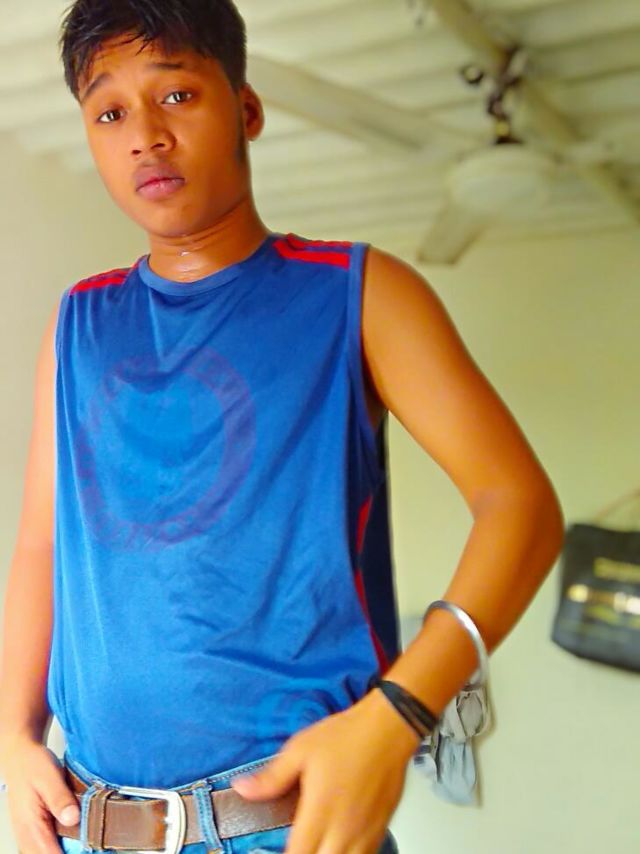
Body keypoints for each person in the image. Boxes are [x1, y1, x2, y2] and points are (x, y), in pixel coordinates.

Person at [0, 1, 565, 853]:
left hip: (287, 829)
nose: (145, 136)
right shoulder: (78, 322)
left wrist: (402, 712)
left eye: (177, 95)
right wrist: (11, 737)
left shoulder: (360, 293)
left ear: (247, 110)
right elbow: (42, 544)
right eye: (109, 113)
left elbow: (518, 503)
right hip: (93, 826)